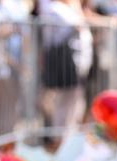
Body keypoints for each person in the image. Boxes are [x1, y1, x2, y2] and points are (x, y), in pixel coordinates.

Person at [40, 0, 93, 130]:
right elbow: (74, 26)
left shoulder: (70, 8)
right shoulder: (54, 9)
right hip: (64, 63)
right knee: (63, 103)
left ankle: (69, 137)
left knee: (75, 102)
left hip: (78, 63)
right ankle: (59, 139)